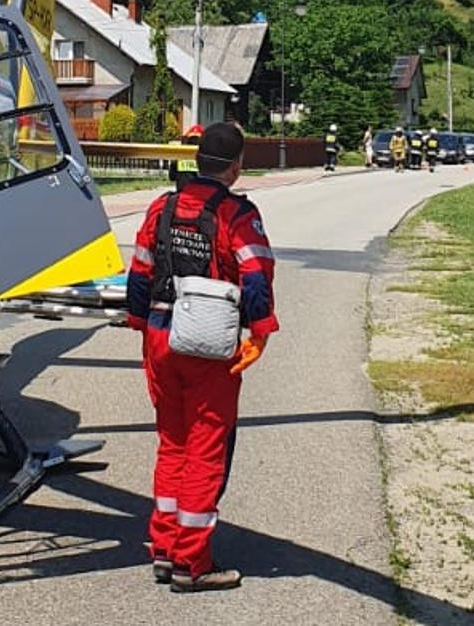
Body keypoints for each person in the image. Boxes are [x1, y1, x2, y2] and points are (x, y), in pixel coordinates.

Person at [126, 123, 278, 594]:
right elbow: (255, 275)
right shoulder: (237, 214)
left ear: (196, 161)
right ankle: (194, 564)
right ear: (236, 166)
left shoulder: (161, 207)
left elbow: (140, 271)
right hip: (208, 344)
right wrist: (260, 330)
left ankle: (164, 549)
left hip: (159, 336)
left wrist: (140, 323)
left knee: (171, 442)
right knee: (206, 447)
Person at [171, 124, 203, 188]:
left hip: (183, 194)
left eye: (196, 140)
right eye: (192, 140)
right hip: (199, 194)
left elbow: (172, 176)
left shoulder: (180, 157)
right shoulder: (206, 158)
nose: (194, 142)